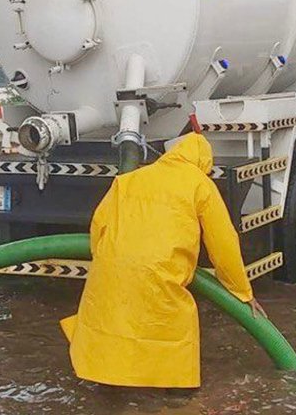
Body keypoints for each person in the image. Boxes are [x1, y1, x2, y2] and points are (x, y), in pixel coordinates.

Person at [60, 132, 264, 388]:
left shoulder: (130, 179)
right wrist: (243, 292)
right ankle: (175, 394)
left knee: (110, 322)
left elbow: (98, 225)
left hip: (113, 271)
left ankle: (110, 384)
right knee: (172, 328)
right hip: (161, 275)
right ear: (203, 163)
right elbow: (224, 243)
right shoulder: (199, 183)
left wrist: (109, 261)